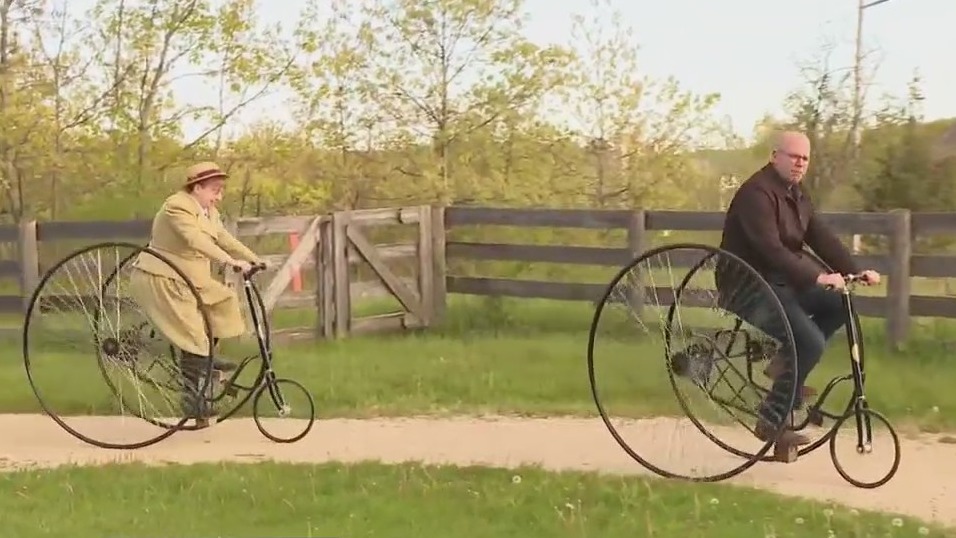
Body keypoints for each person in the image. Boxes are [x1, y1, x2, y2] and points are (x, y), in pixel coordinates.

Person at [716, 131, 880, 446]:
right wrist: (817, 277)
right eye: (793, 156)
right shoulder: (756, 194)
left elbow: (821, 237)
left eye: (805, 158)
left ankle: (785, 365)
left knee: (839, 305)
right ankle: (771, 419)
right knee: (810, 342)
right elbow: (770, 249)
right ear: (774, 155)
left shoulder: (797, 194)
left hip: (783, 282)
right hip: (748, 286)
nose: (799, 163)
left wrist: (855, 271)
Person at [127, 161, 266, 419]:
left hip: (193, 280)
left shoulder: (208, 211)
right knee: (192, 334)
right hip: (164, 277)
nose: (219, 196)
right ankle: (200, 375)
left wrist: (252, 258)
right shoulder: (177, 206)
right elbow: (195, 240)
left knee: (223, 299)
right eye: (214, 190)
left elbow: (223, 237)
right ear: (197, 187)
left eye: (220, 190)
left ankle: (203, 365)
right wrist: (230, 261)